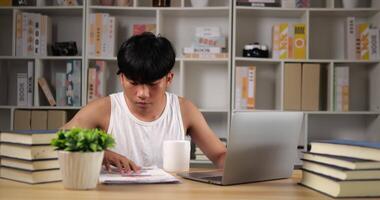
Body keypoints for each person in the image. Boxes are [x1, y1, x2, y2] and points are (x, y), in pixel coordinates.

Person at [62, 32, 226, 174]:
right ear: (122, 78)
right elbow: (59, 140)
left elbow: (219, 155)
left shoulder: (184, 110)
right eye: (133, 83)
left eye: (153, 84)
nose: (143, 94)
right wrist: (99, 152)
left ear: (168, 78)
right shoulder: (103, 109)